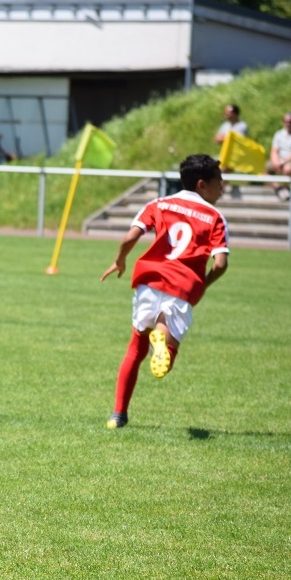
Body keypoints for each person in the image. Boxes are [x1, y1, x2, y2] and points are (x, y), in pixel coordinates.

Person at [100, 153, 229, 430]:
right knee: (165, 363)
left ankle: (118, 414)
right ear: (202, 184)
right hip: (182, 287)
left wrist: (120, 260)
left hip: (149, 280)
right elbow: (220, 264)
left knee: (135, 347)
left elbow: (131, 236)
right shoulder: (215, 217)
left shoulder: (159, 204)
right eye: (219, 181)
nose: (222, 187)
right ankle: (161, 339)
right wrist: (203, 284)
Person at [266, 112, 291, 201]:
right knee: (263, 170)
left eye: (290, 122)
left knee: (287, 169)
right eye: (286, 121)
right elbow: (274, 151)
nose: (288, 124)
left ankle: (285, 188)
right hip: (279, 160)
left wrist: (282, 162)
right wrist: (276, 162)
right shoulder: (279, 134)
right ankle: (278, 189)